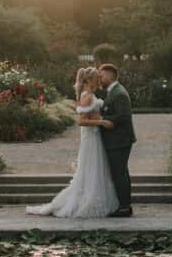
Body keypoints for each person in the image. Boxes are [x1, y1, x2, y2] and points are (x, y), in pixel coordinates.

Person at [25, 66, 119, 219]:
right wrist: (102, 122)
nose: (99, 80)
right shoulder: (87, 97)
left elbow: (90, 116)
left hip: (94, 138)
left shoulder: (89, 95)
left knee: (94, 169)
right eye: (96, 78)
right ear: (89, 80)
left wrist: (99, 118)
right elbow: (81, 121)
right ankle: (84, 202)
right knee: (90, 169)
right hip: (90, 139)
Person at [97, 63, 136, 217]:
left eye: (101, 76)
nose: (99, 79)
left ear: (110, 75)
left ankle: (124, 208)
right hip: (117, 140)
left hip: (119, 141)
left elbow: (123, 116)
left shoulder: (119, 93)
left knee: (119, 174)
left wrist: (102, 120)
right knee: (120, 173)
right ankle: (125, 205)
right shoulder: (113, 91)